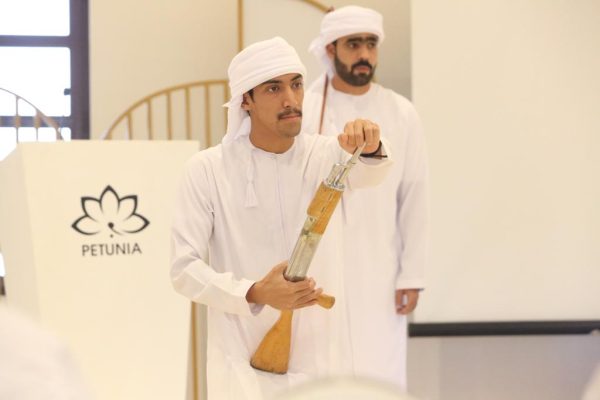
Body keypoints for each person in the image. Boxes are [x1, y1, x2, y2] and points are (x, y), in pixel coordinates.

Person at [170, 37, 392, 400]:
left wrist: (370, 145)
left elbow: (371, 172)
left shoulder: (328, 154)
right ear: (246, 100)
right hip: (241, 360)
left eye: (296, 84)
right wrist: (254, 292)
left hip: (321, 361)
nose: (291, 99)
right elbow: (184, 270)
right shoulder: (207, 170)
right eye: (274, 88)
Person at [302, 5, 429, 389]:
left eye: (371, 44)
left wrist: (412, 275)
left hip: (379, 269)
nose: (364, 54)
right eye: (353, 44)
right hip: (319, 270)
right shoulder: (307, 108)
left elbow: (414, 196)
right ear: (330, 49)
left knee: (379, 374)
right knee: (321, 375)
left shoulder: (402, 112)